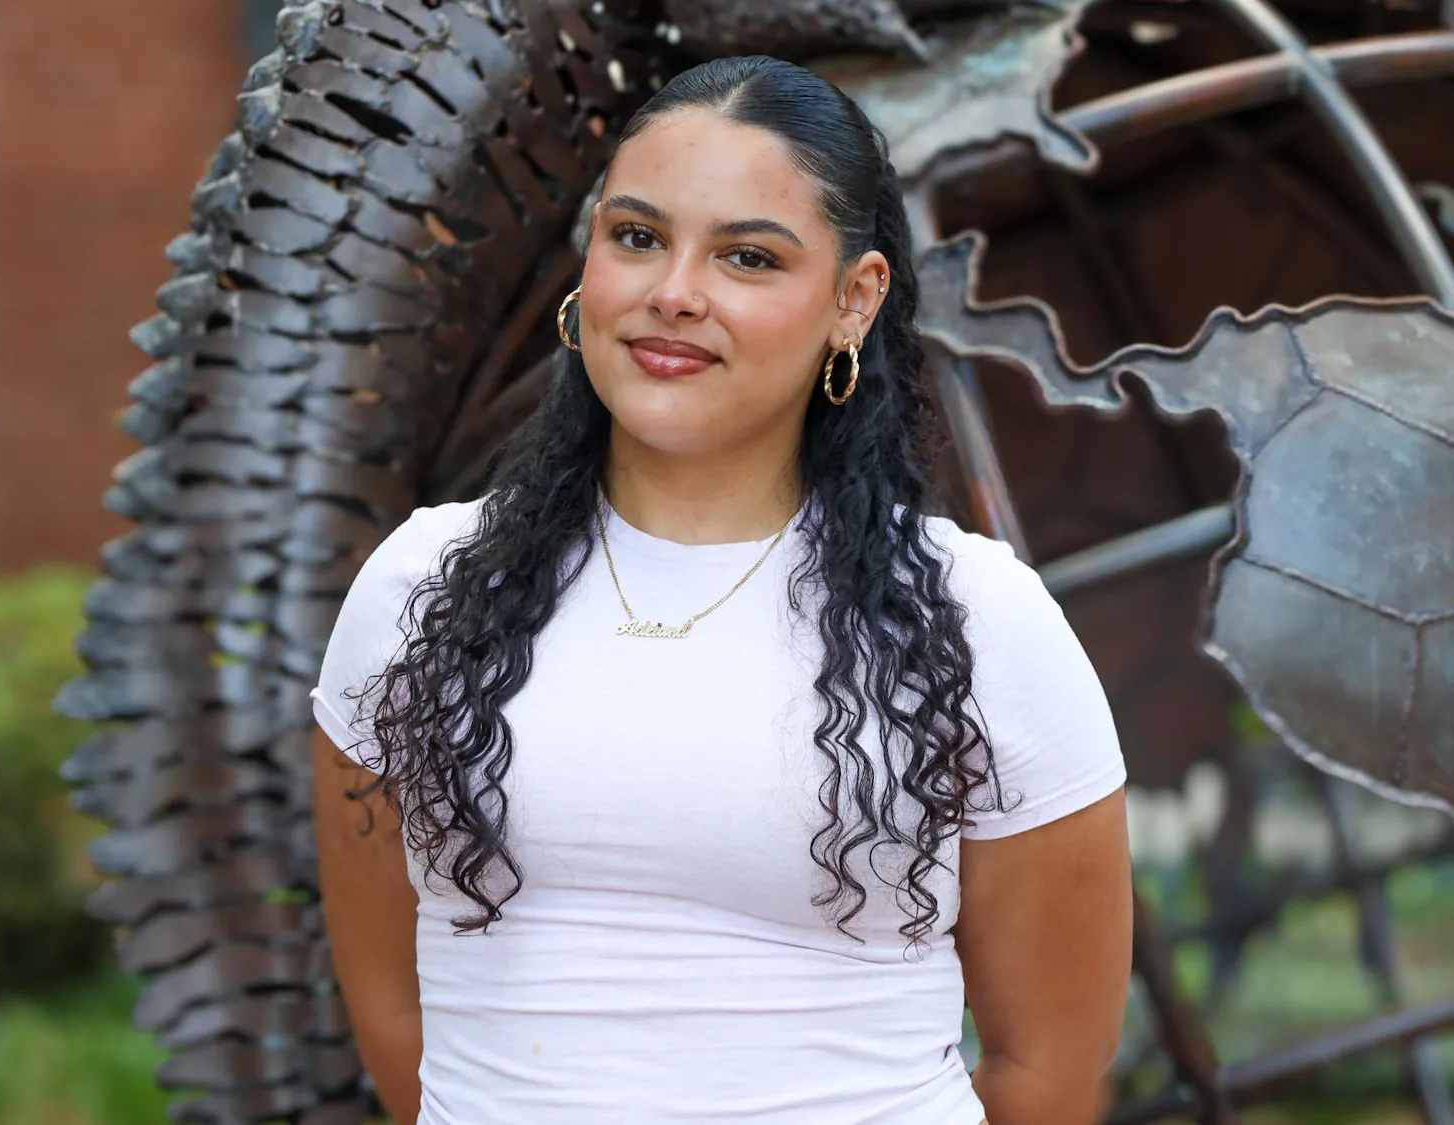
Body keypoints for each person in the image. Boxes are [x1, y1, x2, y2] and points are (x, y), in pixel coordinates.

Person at [311, 54, 1132, 1125]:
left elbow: (1049, 1069)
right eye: (637, 237)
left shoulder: (975, 620)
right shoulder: (424, 588)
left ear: (854, 300)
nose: (674, 294)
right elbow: (395, 1017)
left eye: (748, 256)